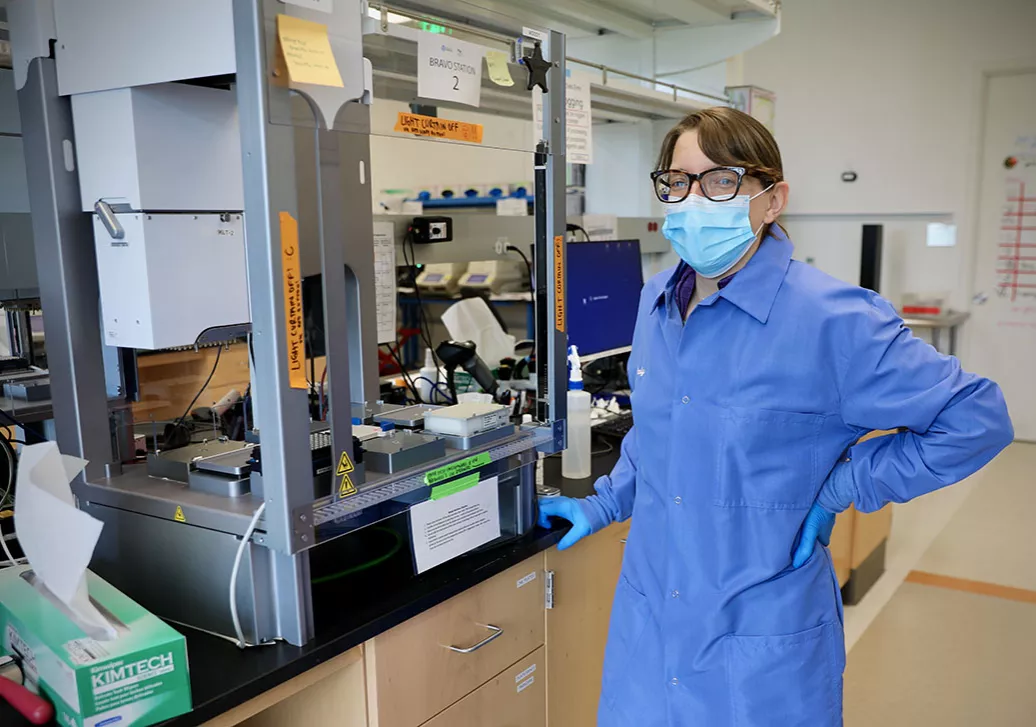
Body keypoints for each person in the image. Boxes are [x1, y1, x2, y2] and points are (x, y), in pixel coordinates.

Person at [538, 107, 1013, 726]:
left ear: (772, 199)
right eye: (677, 181)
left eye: (720, 180)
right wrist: (601, 504)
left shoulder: (834, 321)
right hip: (649, 630)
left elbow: (978, 417)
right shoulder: (656, 300)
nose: (693, 198)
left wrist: (843, 485)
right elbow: (657, 437)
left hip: (760, 644)